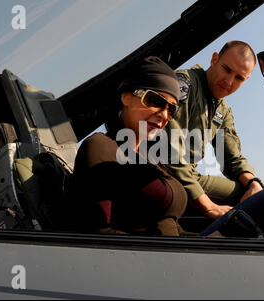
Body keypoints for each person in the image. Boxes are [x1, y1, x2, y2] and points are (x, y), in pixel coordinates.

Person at [67, 56, 189, 236]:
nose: (164, 115)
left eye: (171, 109)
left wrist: (211, 240)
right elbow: (98, 232)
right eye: (155, 101)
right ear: (126, 97)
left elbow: (170, 224)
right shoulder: (100, 146)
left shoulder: (149, 158)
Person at [164, 41, 262, 220]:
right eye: (226, 69)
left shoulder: (222, 111)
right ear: (214, 59)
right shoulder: (184, 84)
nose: (229, 81)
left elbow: (231, 158)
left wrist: (254, 184)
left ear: (246, 79)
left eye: (239, 78)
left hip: (191, 177)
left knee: (258, 197)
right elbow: (169, 154)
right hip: (165, 174)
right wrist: (208, 206)